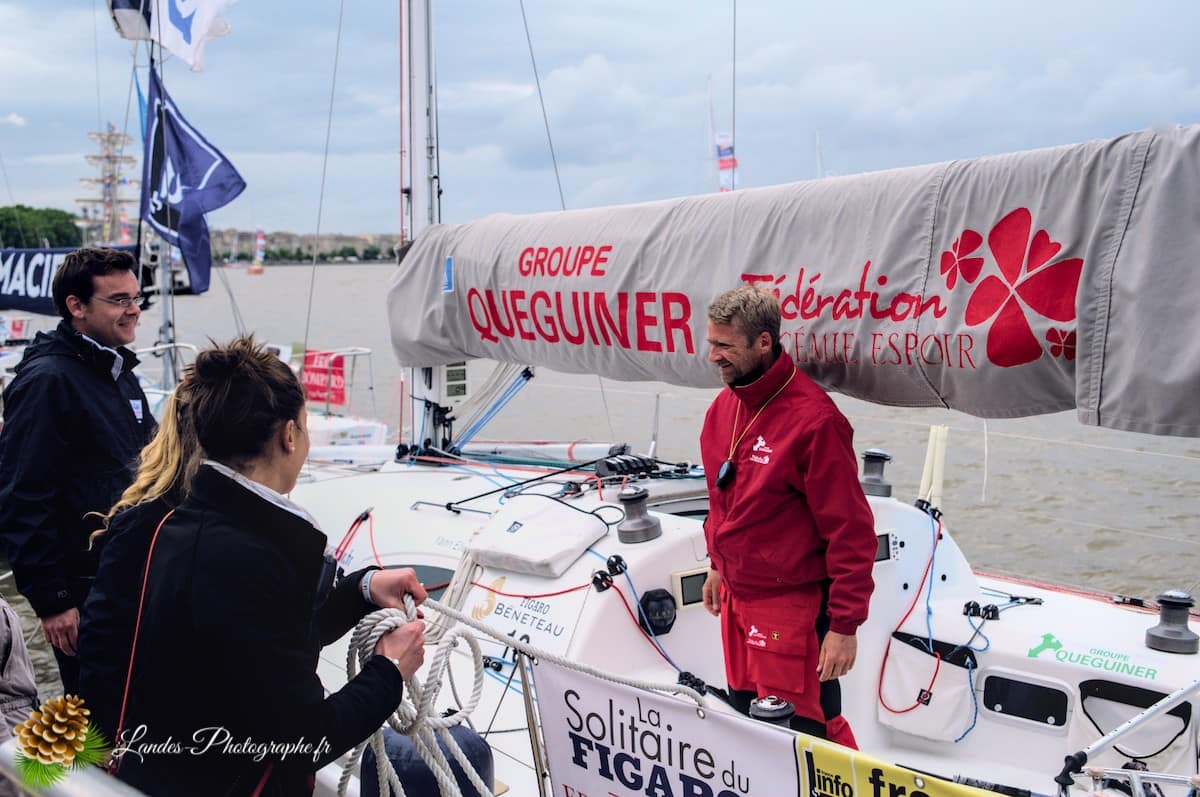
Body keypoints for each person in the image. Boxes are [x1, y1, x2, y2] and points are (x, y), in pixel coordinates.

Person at [108, 337, 427, 796]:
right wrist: (389, 670)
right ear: (289, 435)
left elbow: (256, 651)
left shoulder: (182, 527)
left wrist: (360, 590)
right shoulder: (251, 556)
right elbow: (302, 740)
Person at [699, 285, 876, 747]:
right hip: (738, 600)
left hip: (791, 607)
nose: (713, 356)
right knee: (746, 717)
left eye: (725, 346)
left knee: (807, 733)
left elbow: (853, 533)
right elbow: (721, 500)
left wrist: (843, 627)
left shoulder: (816, 422)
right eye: (711, 342)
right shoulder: (723, 407)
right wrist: (717, 565)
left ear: (763, 342)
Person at [0, 247, 156, 694]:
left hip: (126, 577)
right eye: (120, 300)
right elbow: (21, 496)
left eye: (136, 297)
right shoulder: (48, 381)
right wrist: (54, 602)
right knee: (97, 720)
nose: (134, 311)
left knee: (135, 709)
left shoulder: (118, 372)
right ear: (77, 306)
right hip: (84, 591)